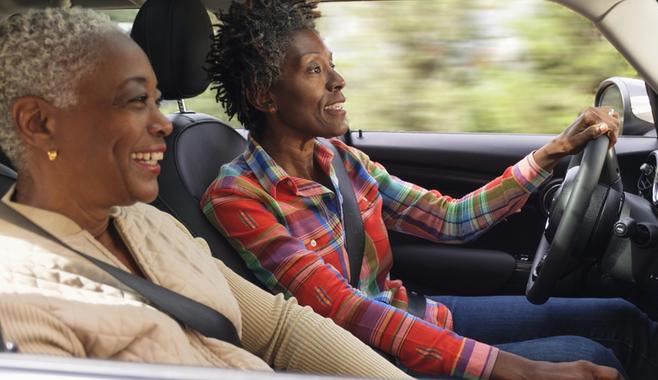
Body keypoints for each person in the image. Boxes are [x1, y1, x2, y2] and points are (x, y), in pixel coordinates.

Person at [203, 1, 658, 379]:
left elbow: (449, 219)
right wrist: (517, 369)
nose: (338, 81)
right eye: (314, 70)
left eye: (333, 66)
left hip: (410, 316)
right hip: (366, 359)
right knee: (590, 355)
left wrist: (554, 151)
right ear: (266, 95)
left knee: (623, 318)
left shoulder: (341, 160)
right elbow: (344, 311)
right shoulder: (239, 197)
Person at [0, 7, 411, 379]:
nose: (162, 124)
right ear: (39, 123)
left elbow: (282, 329)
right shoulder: (20, 299)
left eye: (156, 101)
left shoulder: (150, 223)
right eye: (135, 101)